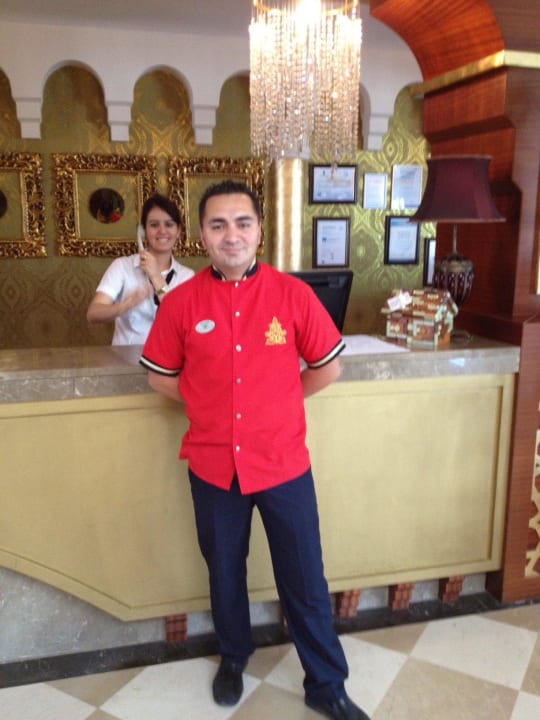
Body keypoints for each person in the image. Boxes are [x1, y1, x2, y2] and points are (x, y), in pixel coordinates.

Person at [139, 180, 369, 720]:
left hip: (283, 462)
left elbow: (327, 367)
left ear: (259, 231)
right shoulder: (181, 303)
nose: (231, 235)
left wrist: (280, 403)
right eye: (218, 225)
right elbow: (159, 376)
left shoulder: (293, 295)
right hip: (213, 464)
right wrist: (206, 401)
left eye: (242, 223)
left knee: (304, 577)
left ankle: (326, 684)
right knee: (224, 571)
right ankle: (234, 657)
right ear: (202, 235)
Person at [87, 194, 194, 345]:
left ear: (178, 231)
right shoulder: (122, 266)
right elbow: (93, 314)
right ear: (143, 231)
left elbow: (182, 321)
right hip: (126, 358)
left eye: (169, 224)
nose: (162, 231)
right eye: (154, 225)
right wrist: (123, 307)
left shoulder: (187, 276)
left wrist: (156, 276)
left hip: (169, 358)